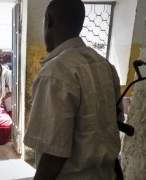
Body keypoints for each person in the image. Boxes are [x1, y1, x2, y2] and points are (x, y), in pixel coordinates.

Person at [23, 0, 123, 179]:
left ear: (49, 19)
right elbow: (115, 122)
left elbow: (54, 154)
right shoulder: (105, 65)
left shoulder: (56, 72)